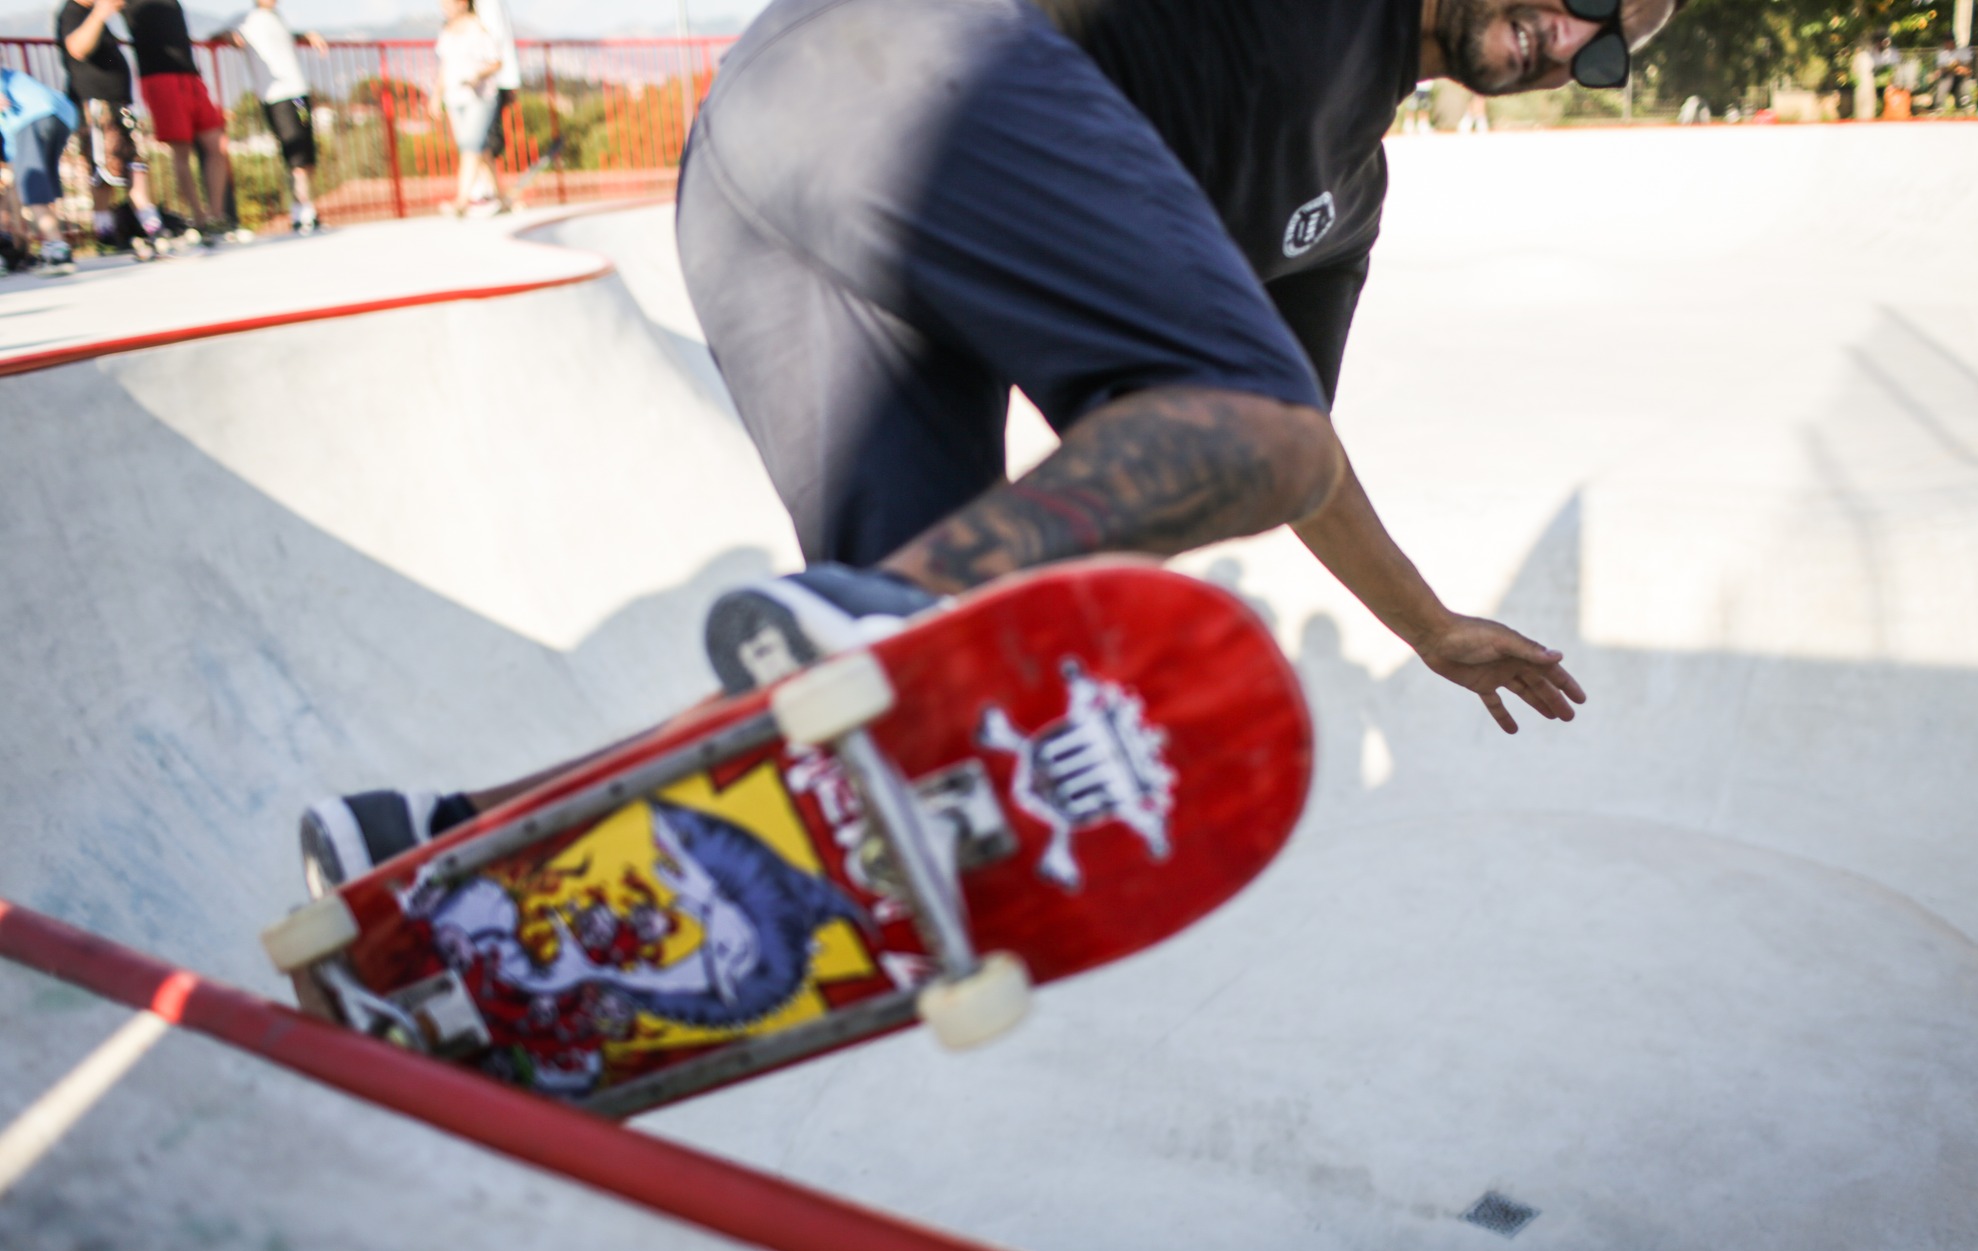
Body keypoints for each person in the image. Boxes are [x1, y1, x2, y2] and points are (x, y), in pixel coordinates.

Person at [301, 0, 1671, 887]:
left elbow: (1280, 445)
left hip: (781, 198)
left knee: (904, 704)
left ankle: (444, 853)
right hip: (896, 60)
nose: (1570, 35)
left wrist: (1424, 623)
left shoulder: (1345, 200)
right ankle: (891, 611)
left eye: (1608, 47)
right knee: (964, 611)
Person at [55, 0, 167, 258]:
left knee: (136, 167)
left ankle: (152, 227)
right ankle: (105, 234)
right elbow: (77, 47)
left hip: (120, 104)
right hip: (96, 104)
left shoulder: (92, 14)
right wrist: (100, 12)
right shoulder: (71, 12)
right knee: (104, 172)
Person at [214, 0, 328, 234]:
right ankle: (302, 211)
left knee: (306, 155)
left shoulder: (278, 17)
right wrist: (230, 37)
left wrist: (307, 35)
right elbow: (219, 34)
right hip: (275, 96)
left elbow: (287, 37)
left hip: (299, 92)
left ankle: (304, 207)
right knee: (294, 155)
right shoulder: (244, 19)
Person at [126, 0, 231, 240]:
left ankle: (216, 215)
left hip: (190, 76)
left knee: (218, 146)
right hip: (159, 78)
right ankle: (199, 217)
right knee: (181, 152)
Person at [0, 65, 80, 274]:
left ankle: (57, 250)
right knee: (41, 184)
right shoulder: (13, 76)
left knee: (32, 184)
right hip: (61, 115)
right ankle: (51, 244)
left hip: (30, 118)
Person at [431, 0, 503, 217]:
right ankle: (501, 197)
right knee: (478, 147)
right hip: (455, 97)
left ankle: (462, 201)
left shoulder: (478, 28)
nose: (443, 5)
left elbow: (497, 62)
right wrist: (436, 95)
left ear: (463, 3)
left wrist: (477, 76)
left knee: (470, 144)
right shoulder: (447, 31)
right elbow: (445, 67)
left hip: (480, 95)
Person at [470, 0, 519, 213]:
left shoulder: (489, 5)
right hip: (478, 84)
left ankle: (489, 193)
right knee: (476, 139)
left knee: (485, 140)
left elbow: (499, 42)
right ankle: (486, 191)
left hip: (490, 83)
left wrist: (510, 81)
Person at [1933, 38, 1974, 114]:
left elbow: (1969, 71)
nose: (1947, 44)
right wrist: (1950, 68)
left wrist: (1961, 69)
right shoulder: (1942, 53)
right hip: (1947, 78)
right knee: (1945, 81)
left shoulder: (1962, 51)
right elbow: (1940, 70)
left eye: (1949, 42)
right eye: (1946, 42)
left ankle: (1966, 104)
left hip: (1960, 79)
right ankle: (1939, 106)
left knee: (1963, 83)